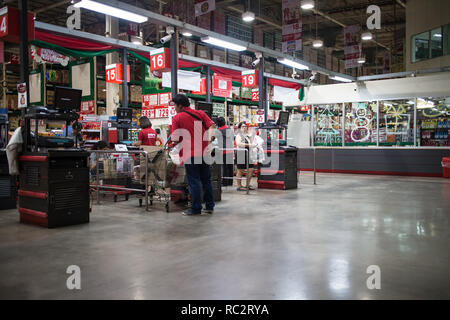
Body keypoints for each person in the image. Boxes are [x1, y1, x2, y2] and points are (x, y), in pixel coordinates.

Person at [170, 94, 215, 216]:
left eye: (175, 105)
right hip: (204, 152)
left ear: (180, 105)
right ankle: (209, 206)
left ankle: (195, 208)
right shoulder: (200, 113)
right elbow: (211, 125)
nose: (174, 108)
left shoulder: (177, 118)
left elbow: (175, 139)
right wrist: (209, 141)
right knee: (206, 180)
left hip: (190, 154)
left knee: (194, 181)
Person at [235, 122, 256, 191]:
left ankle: (247, 184)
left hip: (248, 154)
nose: (244, 128)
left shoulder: (247, 136)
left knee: (251, 169)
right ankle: (239, 186)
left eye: (245, 126)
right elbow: (238, 143)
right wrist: (248, 145)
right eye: (242, 126)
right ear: (239, 128)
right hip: (240, 154)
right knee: (240, 170)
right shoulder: (238, 135)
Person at [216, 117, 234, 187]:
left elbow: (213, 138)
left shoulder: (218, 130)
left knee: (224, 167)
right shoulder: (229, 129)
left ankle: (225, 182)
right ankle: (230, 182)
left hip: (223, 151)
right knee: (230, 167)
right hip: (230, 150)